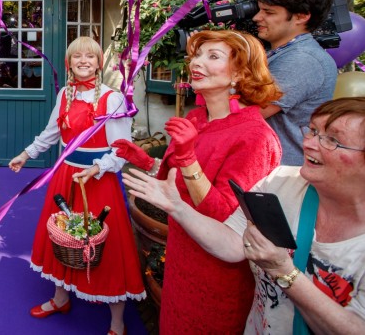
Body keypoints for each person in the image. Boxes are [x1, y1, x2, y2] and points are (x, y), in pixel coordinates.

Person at [123, 97, 365, 333]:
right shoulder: (280, 183)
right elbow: (232, 243)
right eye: (312, 131)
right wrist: (177, 207)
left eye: (333, 140)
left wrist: (284, 272)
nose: (309, 144)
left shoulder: (255, 136)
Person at [113, 30, 283, 333]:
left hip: (217, 274)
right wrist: (145, 161)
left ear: (240, 73)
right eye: (196, 55)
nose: (196, 63)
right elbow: (175, 185)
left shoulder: (255, 137)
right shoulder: (197, 119)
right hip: (180, 256)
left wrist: (188, 158)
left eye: (212, 56)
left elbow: (223, 216)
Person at [8, 36, 144, 335]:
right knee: (62, 237)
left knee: (105, 245)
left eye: (90, 56)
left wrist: (96, 168)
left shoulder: (112, 98)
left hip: (98, 180)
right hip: (66, 177)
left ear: (99, 62)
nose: (83, 61)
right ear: (69, 63)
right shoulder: (65, 94)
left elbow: (122, 149)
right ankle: (61, 299)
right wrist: (25, 154)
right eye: (77, 56)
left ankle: (117, 323)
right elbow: (51, 133)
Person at [252, 0, 337, 165]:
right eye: (259, 10)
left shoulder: (302, 59)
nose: (257, 17)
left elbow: (246, 113)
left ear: (301, 16)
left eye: (269, 12)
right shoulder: (281, 52)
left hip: (282, 173)